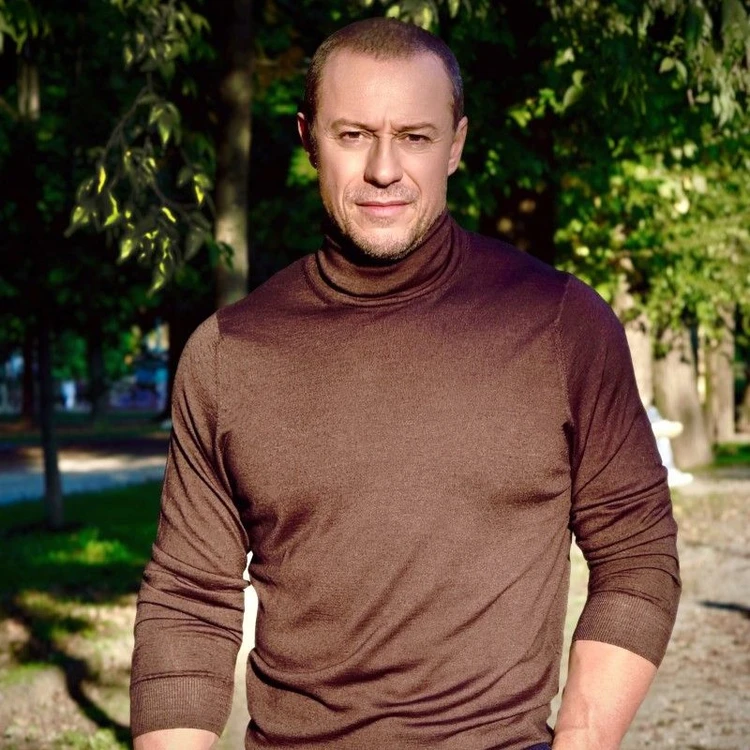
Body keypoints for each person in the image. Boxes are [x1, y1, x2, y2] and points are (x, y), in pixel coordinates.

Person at [130, 18, 680, 750]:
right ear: (308, 139)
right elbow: (187, 603)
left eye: (415, 137)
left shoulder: (557, 324)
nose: (384, 169)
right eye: (353, 135)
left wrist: (580, 739)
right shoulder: (229, 353)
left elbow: (638, 557)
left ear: (455, 145)